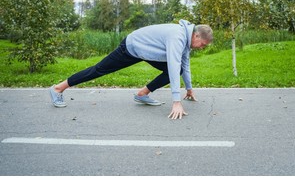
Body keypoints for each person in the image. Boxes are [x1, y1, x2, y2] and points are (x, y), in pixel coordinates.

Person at [49, 19, 213, 120]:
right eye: (202, 45)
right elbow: (173, 62)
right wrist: (176, 102)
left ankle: (142, 94)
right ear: (196, 36)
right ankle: (58, 88)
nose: (201, 48)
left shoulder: (185, 41)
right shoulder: (177, 36)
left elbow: (184, 65)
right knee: (99, 69)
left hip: (146, 52)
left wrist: (189, 89)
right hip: (131, 47)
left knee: (175, 71)